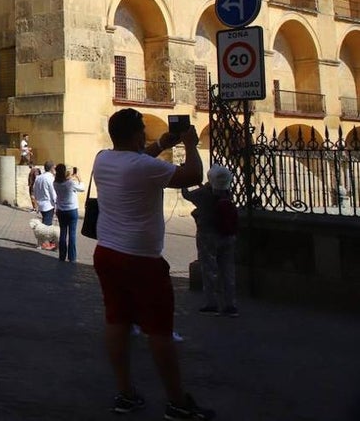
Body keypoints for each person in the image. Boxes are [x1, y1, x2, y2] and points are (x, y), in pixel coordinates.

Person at [92, 108, 214, 420]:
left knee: (116, 321)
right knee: (159, 330)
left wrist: (161, 143)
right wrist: (189, 144)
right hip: (141, 259)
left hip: (106, 252)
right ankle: (176, 402)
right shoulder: (144, 168)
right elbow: (193, 176)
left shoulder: (103, 158)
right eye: (143, 131)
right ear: (135, 135)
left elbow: (139, 158)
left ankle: (125, 393)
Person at [182, 165, 238, 317]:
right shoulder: (227, 193)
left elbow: (187, 195)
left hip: (208, 235)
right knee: (227, 270)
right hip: (228, 236)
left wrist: (184, 181)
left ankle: (211, 303)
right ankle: (230, 304)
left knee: (209, 269)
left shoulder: (202, 194)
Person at [53, 163, 85, 262]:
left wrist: (70, 176)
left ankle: (62, 256)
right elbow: (82, 188)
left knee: (63, 233)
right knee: (72, 234)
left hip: (61, 210)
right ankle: (72, 257)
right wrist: (79, 177)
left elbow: (64, 180)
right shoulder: (70, 183)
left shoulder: (55, 183)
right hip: (71, 210)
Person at [33, 161, 58, 249]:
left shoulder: (38, 178)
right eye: (54, 168)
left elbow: (35, 190)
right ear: (51, 168)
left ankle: (43, 243)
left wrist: (37, 201)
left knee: (45, 225)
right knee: (47, 227)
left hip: (41, 203)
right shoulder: (50, 178)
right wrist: (56, 203)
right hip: (48, 204)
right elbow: (53, 192)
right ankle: (43, 244)